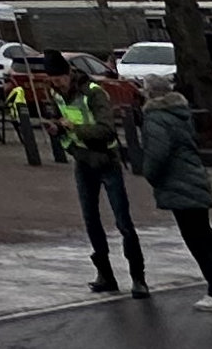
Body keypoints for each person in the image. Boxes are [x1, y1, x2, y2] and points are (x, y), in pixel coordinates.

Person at [127, 72, 212, 314]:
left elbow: (158, 154)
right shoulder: (180, 114)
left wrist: (149, 173)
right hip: (194, 178)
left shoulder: (156, 118)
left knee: (197, 241)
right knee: (207, 237)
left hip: (178, 184)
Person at [54, 58, 149, 296]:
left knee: (123, 221)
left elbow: (107, 131)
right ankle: (105, 274)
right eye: (52, 81)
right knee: (91, 220)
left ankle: (138, 278)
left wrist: (74, 129)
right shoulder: (56, 95)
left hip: (106, 160)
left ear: (69, 74)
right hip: (83, 162)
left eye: (59, 79)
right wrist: (61, 134)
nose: (57, 85)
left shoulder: (93, 93)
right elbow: (65, 128)